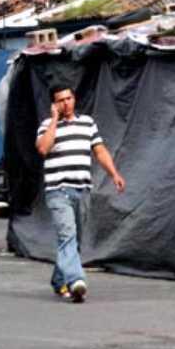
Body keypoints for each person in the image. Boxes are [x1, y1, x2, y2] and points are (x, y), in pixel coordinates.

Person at [35, 86, 125, 303]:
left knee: (74, 241)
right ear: (54, 104)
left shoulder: (87, 123)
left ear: (74, 99)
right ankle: (76, 281)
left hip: (82, 190)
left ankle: (59, 280)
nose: (66, 103)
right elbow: (43, 149)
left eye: (69, 98)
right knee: (67, 235)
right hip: (58, 191)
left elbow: (100, 151)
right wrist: (54, 120)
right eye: (60, 100)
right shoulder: (47, 126)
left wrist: (114, 174)